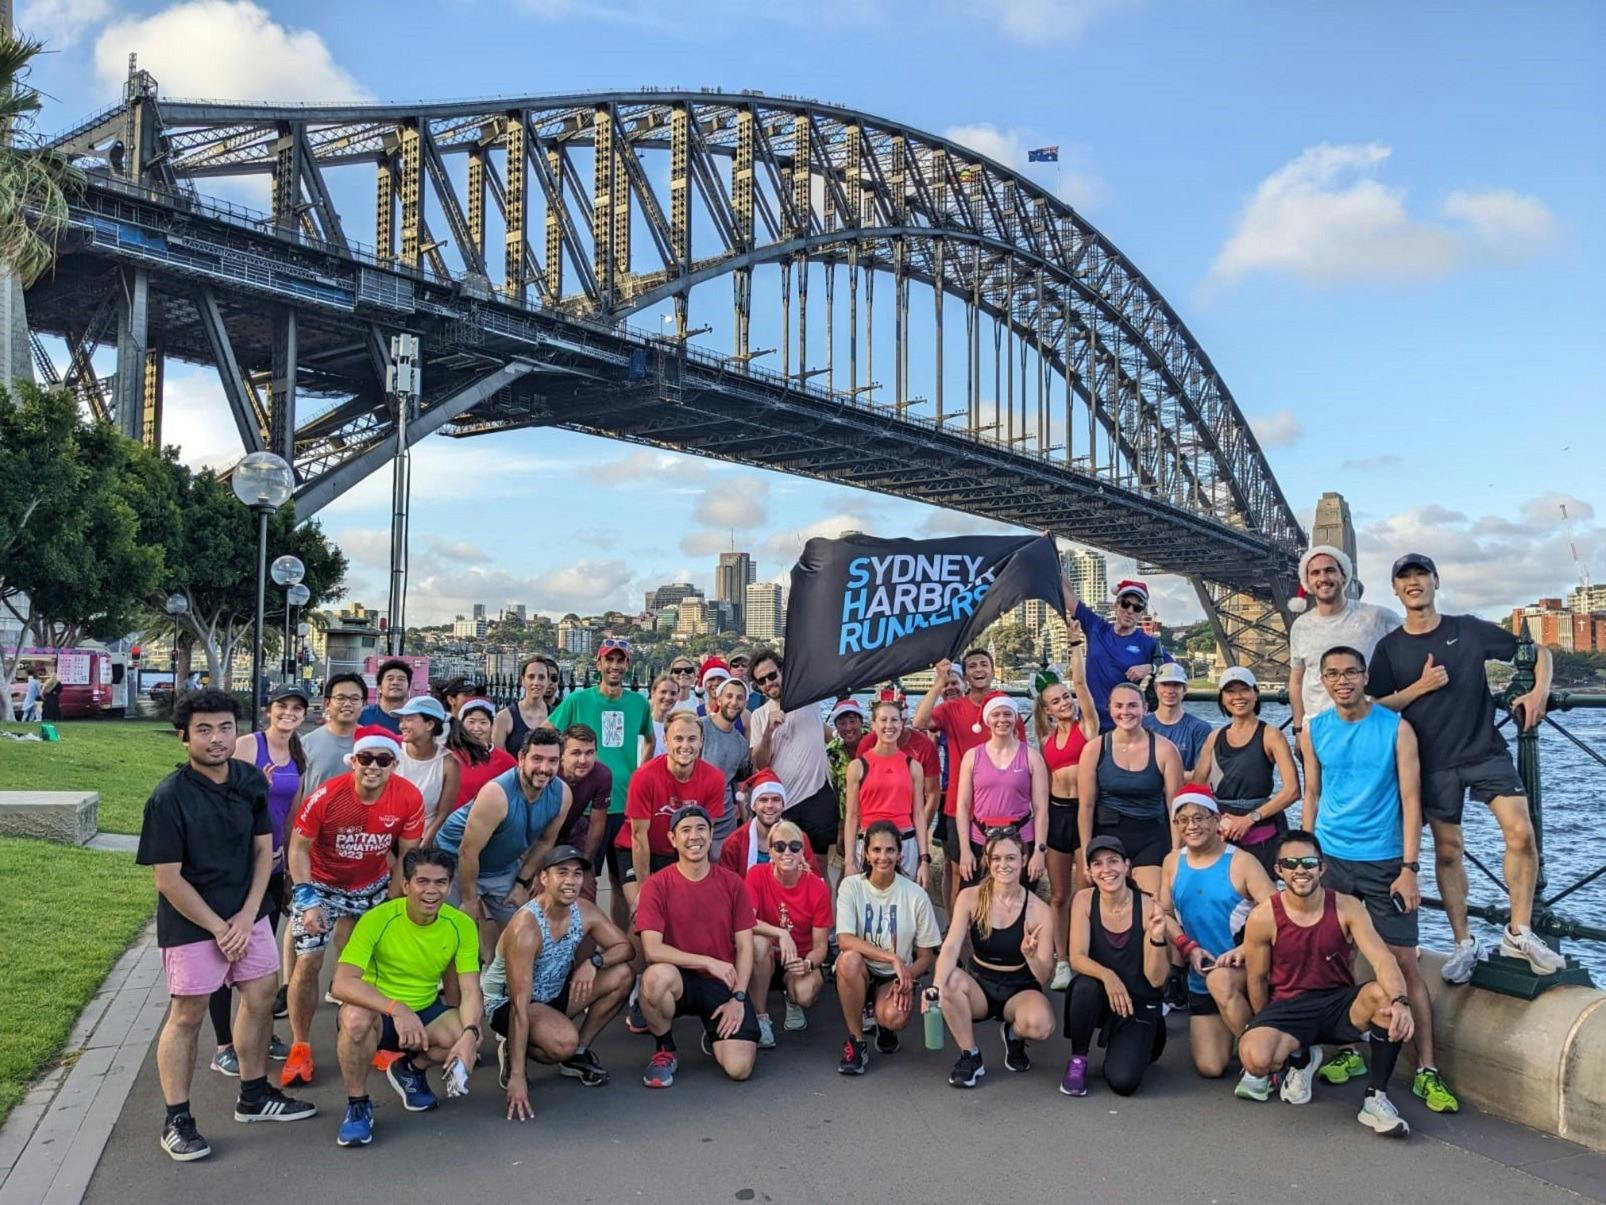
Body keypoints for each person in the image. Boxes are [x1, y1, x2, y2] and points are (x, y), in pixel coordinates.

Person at [1367, 552, 1564, 982]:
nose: (1414, 582)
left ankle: (1521, 931)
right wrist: (1418, 688)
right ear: (1396, 589)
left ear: (1436, 581)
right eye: (1405, 577)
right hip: (1432, 762)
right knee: (1448, 850)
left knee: (1521, 832)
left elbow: (1537, 652)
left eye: (1422, 574)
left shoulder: (1468, 629)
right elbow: (1374, 706)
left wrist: (1539, 693)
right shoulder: (1390, 648)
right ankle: (1463, 943)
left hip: (1484, 750)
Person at [137, 689, 315, 1162]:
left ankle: (254, 1095)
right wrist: (220, 927)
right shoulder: (168, 798)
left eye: (224, 728)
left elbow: (265, 850)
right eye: (203, 730)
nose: (216, 739)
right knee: (188, 1014)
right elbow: (167, 879)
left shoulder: (249, 780)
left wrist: (247, 913)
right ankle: (177, 1119)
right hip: (193, 922)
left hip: (247, 914)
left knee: (260, 997)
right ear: (183, 737)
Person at [1301, 644, 1457, 1114]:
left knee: (1404, 962)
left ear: (1366, 676)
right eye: (1333, 674)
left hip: (1385, 860)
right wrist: (1307, 858)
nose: (1342, 681)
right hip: (1331, 857)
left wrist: (1410, 869)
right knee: (1333, 956)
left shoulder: (1396, 728)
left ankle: (1427, 1070)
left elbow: (1413, 803)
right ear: (1323, 681)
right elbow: (1312, 792)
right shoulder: (1315, 730)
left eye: (1351, 672)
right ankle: (1348, 1050)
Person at [1238, 830, 1417, 1138]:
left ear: (1322, 868)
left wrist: (1401, 1001)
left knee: (1383, 999)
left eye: (1308, 862)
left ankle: (1376, 1098)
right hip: (1288, 1006)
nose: (1300, 870)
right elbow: (1257, 978)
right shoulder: (1263, 916)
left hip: (1337, 1003)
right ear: (1278, 870)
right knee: (1256, 1059)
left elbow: (1383, 959)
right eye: (1290, 863)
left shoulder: (1347, 907)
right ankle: (1302, 1058)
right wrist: (1262, 1024)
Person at [282, 726, 425, 1088]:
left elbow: (407, 854)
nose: (373, 766)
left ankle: (370, 1034)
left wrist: (395, 900)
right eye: (365, 758)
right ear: (353, 761)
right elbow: (298, 848)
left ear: (395, 764)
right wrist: (305, 897)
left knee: (372, 962)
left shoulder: (408, 797)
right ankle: (300, 1045)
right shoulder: (327, 795)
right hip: (322, 883)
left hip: (372, 883)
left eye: (383, 760)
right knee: (309, 959)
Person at [328, 847, 483, 1146]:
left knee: (468, 1038)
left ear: (449, 886)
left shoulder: (461, 924)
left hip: (424, 1010)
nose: (431, 890)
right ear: (406, 885)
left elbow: (471, 989)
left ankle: (410, 1070)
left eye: (440, 882)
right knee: (354, 1019)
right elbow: (342, 984)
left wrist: (470, 1033)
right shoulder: (378, 918)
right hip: (378, 1012)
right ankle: (358, 1105)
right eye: (422, 881)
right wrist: (397, 1009)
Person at [484, 845, 634, 1117]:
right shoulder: (526, 928)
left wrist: (594, 962)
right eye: (561, 872)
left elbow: (625, 948)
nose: (571, 881)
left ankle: (578, 1052)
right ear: (543, 878)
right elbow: (519, 1005)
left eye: (577, 874)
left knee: (623, 975)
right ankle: (514, 1051)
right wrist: (518, 1076)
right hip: (511, 1003)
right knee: (560, 1043)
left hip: (552, 993)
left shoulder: (584, 910)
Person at [1155, 784, 1276, 1097]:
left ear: (1216, 819)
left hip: (1245, 971)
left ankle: (1267, 1062)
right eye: (1182, 820)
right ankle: (1244, 1031)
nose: (1191, 826)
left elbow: (1279, 914)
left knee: (1221, 982)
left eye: (1200, 818)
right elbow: (1164, 914)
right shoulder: (1172, 862)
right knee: (1210, 1067)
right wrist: (1188, 947)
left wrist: (1245, 949)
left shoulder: (1241, 862)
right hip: (1201, 973)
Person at [211, 685, 305, 1075]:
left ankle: (259, 1033)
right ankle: (223, 1045)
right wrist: (255, 790)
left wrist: (289, 872)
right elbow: (218, 797)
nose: (289, 713)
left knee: (260, 961)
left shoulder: (298, 754)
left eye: (297, 708)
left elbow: (292, 816)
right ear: (270, 710)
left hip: (274, 866)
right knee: (224, 954)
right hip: (236, 866)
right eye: (282, 706)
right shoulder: (250, 746)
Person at [635, 805, 762, 1087]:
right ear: (672, 839)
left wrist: (738, 998)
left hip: (722, 982)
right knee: (655, 978)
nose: (695, 836)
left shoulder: (732, 883)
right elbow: (652, 950)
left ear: (712, 833)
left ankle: (714, 1028)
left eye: (701, 828)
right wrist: (706, 961)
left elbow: (745, 946)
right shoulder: (657, 885)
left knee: (739, 1068)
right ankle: (665, 1049)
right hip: (680, 979)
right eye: (686, 830)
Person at [929, 830, 1055, 1088]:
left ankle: (1013, 1033)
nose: (1003, 865)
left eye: (1010, 858)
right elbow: (951, 947)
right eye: (996, 858)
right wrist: (935, 987)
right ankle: (970, 1055)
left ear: (1023, 859)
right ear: (987, 860)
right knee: (948, 981)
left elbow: (1043, 976)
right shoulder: (971, 897)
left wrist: (1030, 956)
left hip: (1019, 988)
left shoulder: (1040, 911)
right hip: (980, 986)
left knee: (1041, 1025)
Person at [435, 727, 571, 963]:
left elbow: (546, 841)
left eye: (553, 760)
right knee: (453, 934)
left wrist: (521, 882)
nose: (545, 768)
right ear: (521, 758)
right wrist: (469, 900)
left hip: (502, 865)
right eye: (537, 759)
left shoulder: (563, 794)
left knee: (521, 931)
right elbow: (468, 851)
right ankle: (445, 988)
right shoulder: (496, 795)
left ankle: (493, 973)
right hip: (456, 861)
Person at [547, 638, 655, 930]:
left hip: (624, 805)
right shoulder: (577, 700)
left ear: (628, 665)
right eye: (609, 660)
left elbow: (650, 738)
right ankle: (581, 938)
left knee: (622, 883)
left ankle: (618, 940)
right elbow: (545, 734)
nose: (615, 666)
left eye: (620, 661)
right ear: (599, 665)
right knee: (584, 879)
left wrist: (640, 774)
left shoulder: (638, 702)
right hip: (585, 807)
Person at [913, 648, 1024, 913]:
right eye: (972, 666)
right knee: (961, 878)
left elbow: (1021, 754)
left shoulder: (1005, 707)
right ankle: (957, 938)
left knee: (1002, 878)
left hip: (1001, 809)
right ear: (966, 674)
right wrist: (940, 680)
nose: (978, 670)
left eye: (983, 665)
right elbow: (919, 721)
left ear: (993, 669)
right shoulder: (952, 708)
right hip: (959, 807)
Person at [1060, 835, 1170, 1098]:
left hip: (1139, 1002)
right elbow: (1076, 957)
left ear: (1127, 865)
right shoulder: (1084, 900)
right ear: (1089, 871)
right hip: (1103, 997)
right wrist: (1108, 976)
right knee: (1084, 987)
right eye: (1097, 864)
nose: (1106, 869)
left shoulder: (1146, 906)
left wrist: (1156, 936)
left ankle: (1149, 1035)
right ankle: (1078, 1060)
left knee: (1123, 1082)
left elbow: (1156, 980)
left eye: (1113, 861)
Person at [834, 820, 943, 1074]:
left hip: (894, 975)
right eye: (877, 850)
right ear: (867, 854)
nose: (883, 856)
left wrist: (907, 975)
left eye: (890, 850)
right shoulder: (851, 886)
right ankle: (856, 1040)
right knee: (848, 960)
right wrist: (892, 957)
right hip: (862, 967)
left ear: (900, 853)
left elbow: (926, 955)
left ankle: (883, 1024)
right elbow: (844, 940)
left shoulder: (915, 895)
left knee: (893, 1016)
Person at [1033, 642, 1099, 991]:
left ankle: (1086, 955)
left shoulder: (1087, 729)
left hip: (1085, 813)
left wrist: (1075, 646)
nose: (1065, 703)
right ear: (1046, 709)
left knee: (1087, 889)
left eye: (1066, 697)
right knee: (1058, 895)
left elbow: (1084, 685)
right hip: (1058, 815)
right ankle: (1061, 959)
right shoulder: (1044, 740)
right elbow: (1041, 790)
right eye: (1056, 700)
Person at [1190, 667, 1300, 874]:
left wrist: (1250, 819)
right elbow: (1197, 788)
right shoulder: (1215, 737)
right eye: (1231, 692)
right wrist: (1216, 818)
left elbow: (1293, 791)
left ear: (1255, 694)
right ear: (1222, 698)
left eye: (1244, 690)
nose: (1238, 697)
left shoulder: (1270, 735)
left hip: (1260, 830)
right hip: (1223, 828)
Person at [1077, 682, 1183, 896]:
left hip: (1150, 835)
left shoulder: (1165, 750)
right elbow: (1086, 806)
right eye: (1119, 706)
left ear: (1145, 708)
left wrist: (1176, 853)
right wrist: (1086, 855)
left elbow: (1176, 807)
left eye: (1132, 706)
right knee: (1109, 905)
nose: (1125, 712)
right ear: (1110, 709)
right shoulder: (1094, 749)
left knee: (1151, 904)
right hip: (1107, 835)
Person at [1286, 543, 1402, 739]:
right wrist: (1298, 730)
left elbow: (1413, 645)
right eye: (1315, 573)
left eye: (1330, 570)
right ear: (1307, 582)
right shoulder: (1300, 626)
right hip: (1318, 732)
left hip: (1368, 728)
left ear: (1344, 576)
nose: (1323, 578)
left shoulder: (1376, 617)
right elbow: (1297, 681)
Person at [619, 711, 726, 910]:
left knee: (685, 912)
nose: (685, 746)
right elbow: (638, 837)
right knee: (642, 915)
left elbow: (702, 836)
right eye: (678, 738)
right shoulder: (644, 777)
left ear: (701, 742)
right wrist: (645, 890)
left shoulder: (714, 778)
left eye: (692, 739)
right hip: (639, 849)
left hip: (679, 852)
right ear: (666, 741)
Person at [744, 819, 832, 1046]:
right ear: (769, 850)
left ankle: (791, 998)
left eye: (794, 846)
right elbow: (745, 920)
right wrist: (781, 934)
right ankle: (761, 1016)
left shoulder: (817, 887)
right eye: (780, 847)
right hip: (767, 957)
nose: (787, 852)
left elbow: (821, 946)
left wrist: (808, 964)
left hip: (798, 959)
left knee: (805, 993)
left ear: (803, 851)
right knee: (758, 943)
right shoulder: (755, 875)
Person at [748, 647, 838, 859]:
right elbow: (760, 763)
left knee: (819, 863)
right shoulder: (759, 716)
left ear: (782, 671)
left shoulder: (808, 696)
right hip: (784, 802)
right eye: (762, 681)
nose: (769, 683)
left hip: (817, 795)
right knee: (784, 862)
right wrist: (768, 732)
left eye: (772, 675)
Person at [955, 693, 1049, 888]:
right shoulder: (972, 756)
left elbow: (1041, 809)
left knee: (1020, 904)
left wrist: (1039, 851)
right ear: (987, 720)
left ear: (1015, 718)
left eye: (1007, 714)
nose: (1002, 720)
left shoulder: (1031, 757)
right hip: (981, 840)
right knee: (976, 906)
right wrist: (965, 850)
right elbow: (963, 807)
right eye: (996, 715)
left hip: (1021, 840)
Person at [1059, 576, 1174, 731]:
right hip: (1089, 723)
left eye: (1137, 608)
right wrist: (1054, 560)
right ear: (1116, 605)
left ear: (1141, 613)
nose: (1130, 611)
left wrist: (1150, 668)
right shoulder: (1097, 627)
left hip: (1124, 725)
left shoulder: (1148, 643)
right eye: (1126, 604)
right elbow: (1069, 598)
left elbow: (1174, 670)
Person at [842, 700, 932, 883]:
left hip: (905, 843)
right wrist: (849, 861)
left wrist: (924, 859)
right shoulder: (857, 767)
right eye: (883, 720)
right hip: (869, 844)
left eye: (894, 720)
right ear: (874, 724)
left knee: (904, 905)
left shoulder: (913, 766)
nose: (889, 726)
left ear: (901, 724)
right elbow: (851, 816)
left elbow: (919, 815)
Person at [427, 697, 518, 845]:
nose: (477, 728)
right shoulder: (448, 755)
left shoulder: (507, 762)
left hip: (488, 833)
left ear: (492, 725)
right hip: (446, 832)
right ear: (461, 724)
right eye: (471, 722)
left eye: (483, 722)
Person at [718, 770, 821, 877]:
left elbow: (813, 879)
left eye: (776, 800)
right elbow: (725, 885)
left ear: (783, 805)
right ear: (754, 805)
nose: (769, 805)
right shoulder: (734, 842)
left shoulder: (799, 838)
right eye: (763, 800)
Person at [554, 723, 612, 900]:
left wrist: (586, 863)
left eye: (589, 753)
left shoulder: (602, 775)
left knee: (586, 887)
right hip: (538, 834)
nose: (583, 760)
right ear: (562, 755)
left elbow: (597, 824)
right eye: (576, 753)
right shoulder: (551, 772)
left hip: (574, 830)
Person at [700, 677, 754, 858]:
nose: (734, 702)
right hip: (696, 816)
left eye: (739, 698)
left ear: (745, 703)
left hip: (726, 822)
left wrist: (747, 823)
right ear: (719, 698)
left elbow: (739, 785)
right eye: (729, 696)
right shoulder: (699, 728)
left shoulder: (740, 743)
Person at [395, 694, 459, 836]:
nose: (402, 726)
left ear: (429, 724)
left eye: (409, 720)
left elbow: (443, 814)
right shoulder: (393, 751)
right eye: (401, 720)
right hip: (389, 833)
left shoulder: (448, 763)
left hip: (424, 838)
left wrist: (424, 843)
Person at [1142, 663, 1212, 773]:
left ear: (1184, 689)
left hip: (1184, 790)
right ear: (1156, 688)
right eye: (1164, 684)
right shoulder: (1142, 726)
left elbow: (1201, 774)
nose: (1170, 691)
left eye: (1176, 685)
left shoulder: (1200, 729)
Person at [302, 674, 364, 793]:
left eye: (355, 699)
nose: (347, 704)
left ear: (363, 704)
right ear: (327, 703)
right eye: (340, 698)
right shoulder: (307, 743)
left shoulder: (372, 743)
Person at [492, 656, 551, 758]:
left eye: (541, 677)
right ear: (523, 680)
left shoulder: (556, 715)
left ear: (547, 681)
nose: (536, 682)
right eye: (531, 677)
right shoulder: (504, 717)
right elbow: (497, 759)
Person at [825, 697, 867, 800]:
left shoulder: (876, 743)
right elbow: (833, 787)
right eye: (842, 723)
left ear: (861, 722)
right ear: (836, 727)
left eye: (852, 721)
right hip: (846, 812)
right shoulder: (832, 751)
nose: (848, 728)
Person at [359, 659, 413, 733]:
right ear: (379, 688)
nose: (395, 682)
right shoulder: (362, 715)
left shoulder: (416, 718)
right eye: (390, 679)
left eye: (401, 679)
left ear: (408, 688)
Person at [647, 673, 679, 755]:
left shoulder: (677, 728)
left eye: (673, 693)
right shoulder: (642, 723)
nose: (668, 697)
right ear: (653, 693)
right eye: (663, 692)